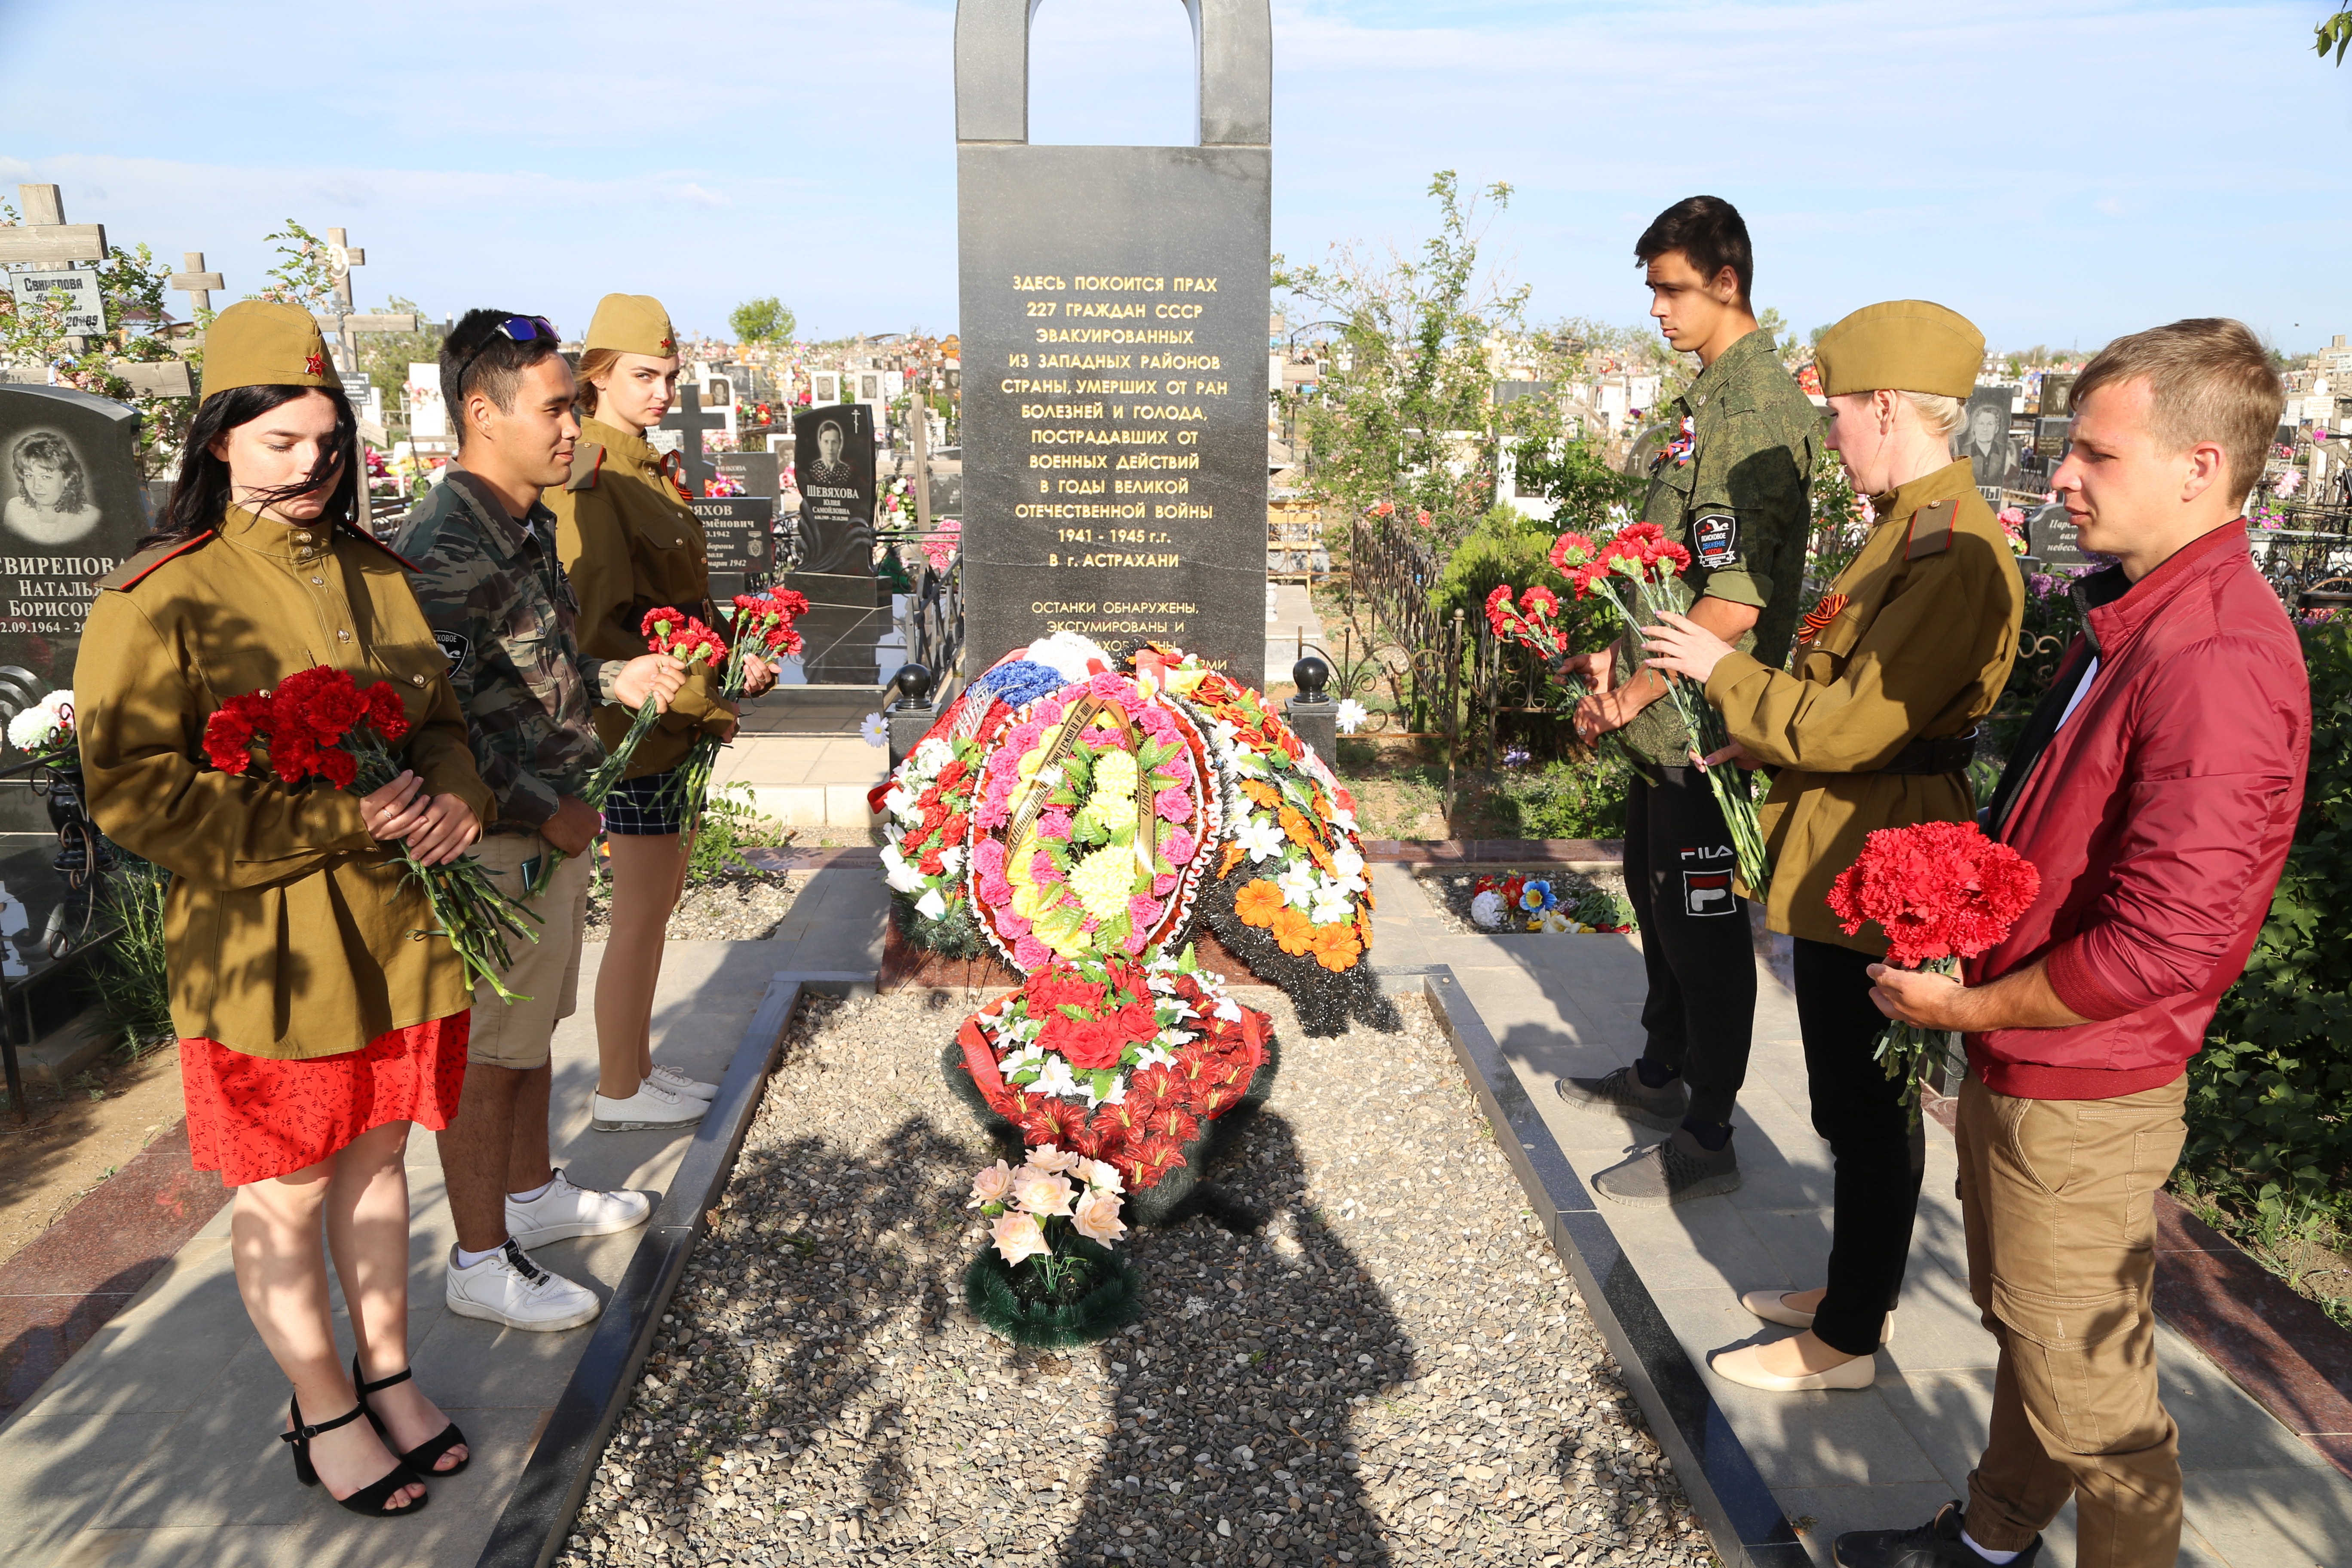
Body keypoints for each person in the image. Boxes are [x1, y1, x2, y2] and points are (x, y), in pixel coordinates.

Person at [1832, 319, 2311, 1568]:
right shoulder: (2149, 615)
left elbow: (2172, 939)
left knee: (2106, 1420)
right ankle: (1991, 1538)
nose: (2061, 475)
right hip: (2040, 1065)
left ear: (2199, 466)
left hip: (2082, 1085)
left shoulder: (2214, 653)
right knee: (2038, 1340)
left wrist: (1974, 1012)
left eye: (2096, 453)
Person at [78, 301, 491, 1516]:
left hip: (397, 933)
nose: (312, 463)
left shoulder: (374, 571)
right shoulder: (159, 599)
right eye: (279, 443)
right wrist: (334, 822)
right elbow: (136, 794)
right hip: (273, 951)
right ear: (218, 442)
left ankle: (390, 1376)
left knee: (377, 1168)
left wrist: (457, 802)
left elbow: (442, 729)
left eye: (327, 439)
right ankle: (321, 1414)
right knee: (289, 1190)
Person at [1642, 301, 2025, 1393]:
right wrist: (1754, 743)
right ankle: (1854, 1286)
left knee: (1864, 1102)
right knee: (1848, 1099)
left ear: (1887, 408)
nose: (1831, 437)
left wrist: (1715, 673)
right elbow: (1835, 699)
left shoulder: (1944, 551)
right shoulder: (1907, 525)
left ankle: (1848, 1338)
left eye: (1841, 414)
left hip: (1882, 848)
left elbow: (1858, 724)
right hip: (1848, 829)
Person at [398, 310, 690, 1331]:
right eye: (556, 409)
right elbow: (430, 720)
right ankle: (479, 1257)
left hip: (551, 828)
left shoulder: (519, 522)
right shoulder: (442, 546)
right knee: (489, 1054)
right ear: (483, 415)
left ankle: (532, 1194)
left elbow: (523, 671)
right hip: (498, 843)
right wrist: (545, 809)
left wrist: (614, 673)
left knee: (530, 1037)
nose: (573, 429)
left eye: (573, 405)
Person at [1553, 194, 1819, 1204]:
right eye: (1651, 290)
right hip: (1661, 720)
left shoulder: (1751, 412)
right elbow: (1666, 566)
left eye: (1671, 290)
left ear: (1726, 284)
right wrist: (1608, 658)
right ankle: (1663, 1075)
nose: (1657, 311)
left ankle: (1710, 1129)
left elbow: (1732, 601)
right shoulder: (1709, 397)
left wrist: (1630, 692)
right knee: (1658, 912)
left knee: (1704, 932)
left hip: (1709, 732)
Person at [548, 294, 773, 1130]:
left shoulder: (644, 466)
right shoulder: (595, 478)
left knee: (663, 900)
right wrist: (708, 693)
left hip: (677, 721)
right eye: (644, 375)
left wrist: (735, 653)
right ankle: (616, 1089)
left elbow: (680, 601)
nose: (661, 389)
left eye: (671, 375)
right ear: (596, 376)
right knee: (642, 908)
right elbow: (603, 626)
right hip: (640, 730)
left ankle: (638, 1066)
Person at [5, 429, 102, 542]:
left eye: (46, 477)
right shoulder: (15, 509)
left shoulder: (91, 517)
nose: (36, 486)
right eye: (29, 476)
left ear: (67, 478)